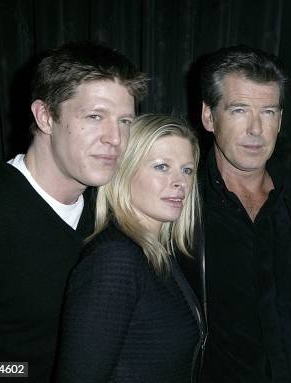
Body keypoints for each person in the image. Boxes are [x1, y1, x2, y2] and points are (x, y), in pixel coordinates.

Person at [0, 42, 148, 382]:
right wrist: (21, 373)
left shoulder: (111, 213)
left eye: (125, 121)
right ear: (45, 116)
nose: (115, 138)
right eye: (95, 117)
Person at [191, 45, 291, 382]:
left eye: (268, 112)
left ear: (280, 120)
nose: (256, 129)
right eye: (239, 110)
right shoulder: (178, 209)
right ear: (209, 117)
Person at [54, 114, 205, 382]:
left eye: (187, 169)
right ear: (125, 170)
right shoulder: (116, 259)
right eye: (161, 167)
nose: (179, 182)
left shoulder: (157, 254)